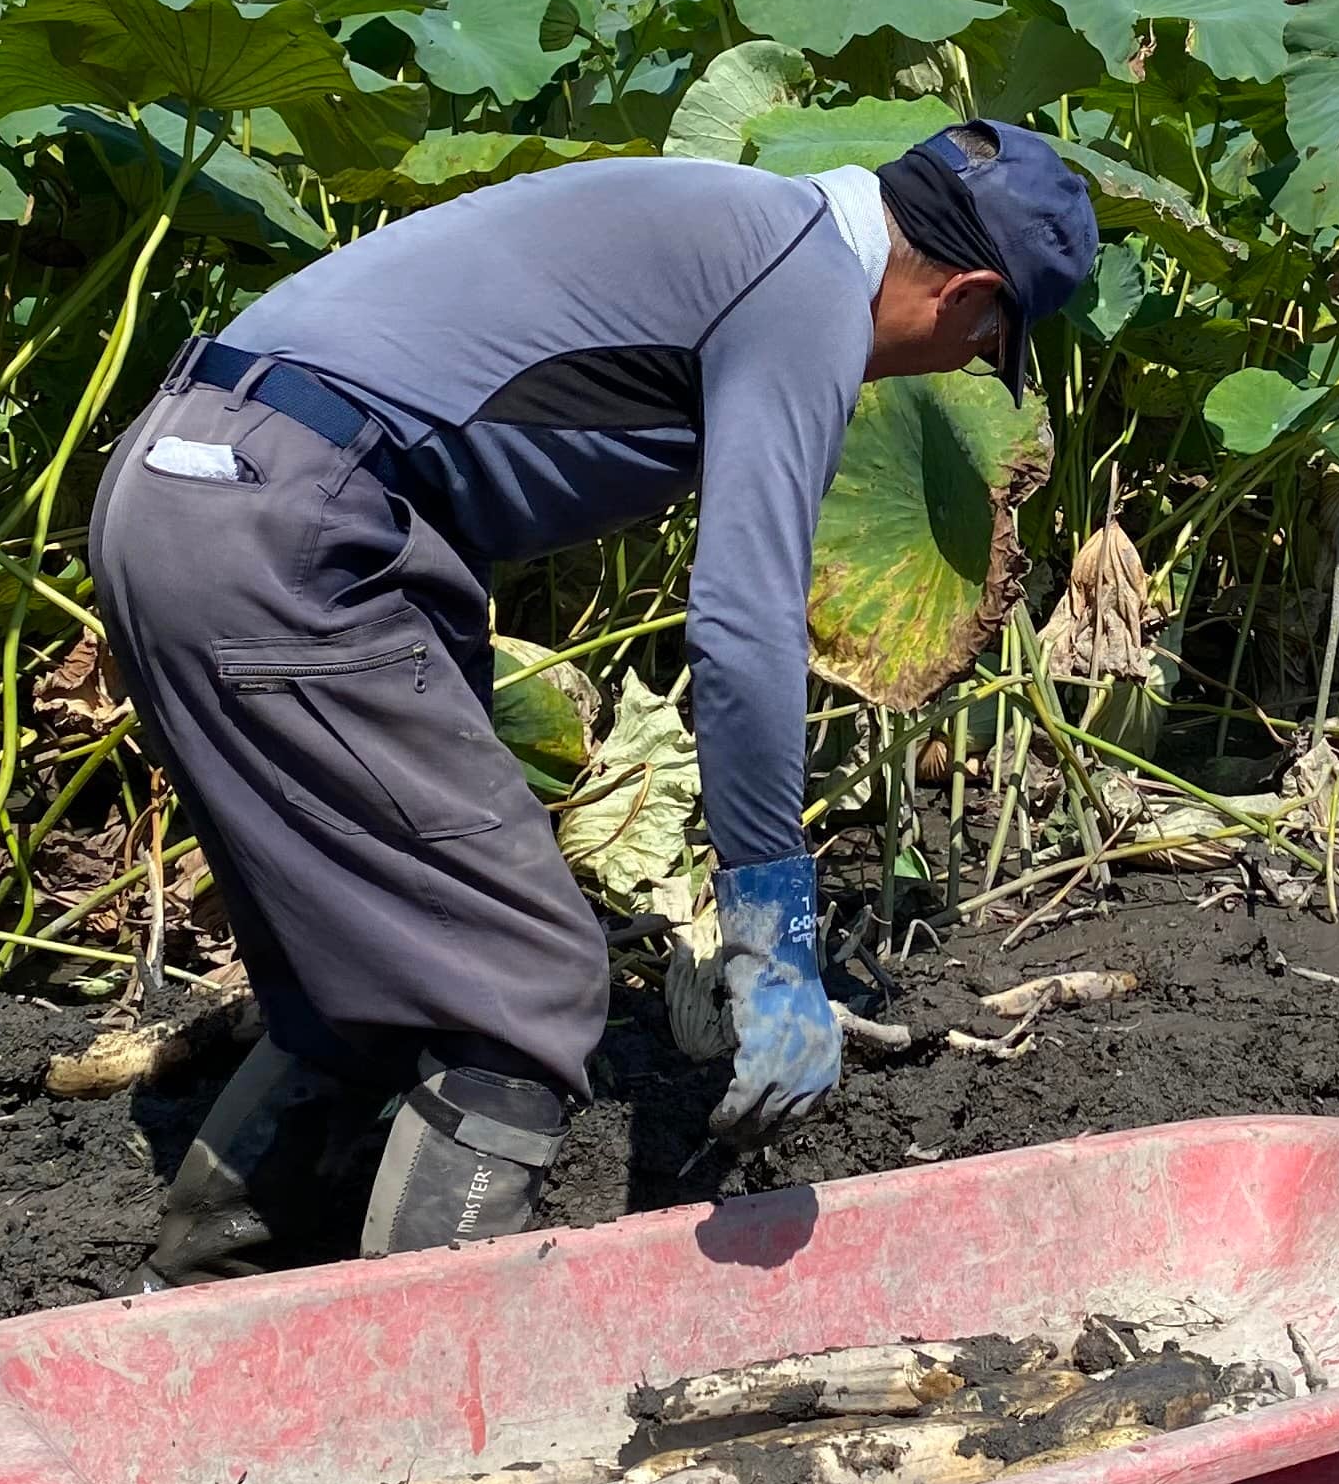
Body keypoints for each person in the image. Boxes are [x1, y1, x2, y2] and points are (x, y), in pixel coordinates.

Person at [88, 118, 1101, 1285]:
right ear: (968, 292)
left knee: (362, 966)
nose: (956, 370)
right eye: (981, 349)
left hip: (187, 487)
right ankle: (426, 1392)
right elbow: (742, 619)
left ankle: (198, 1317)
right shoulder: (809, 285)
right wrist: (773, 930)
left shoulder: (734, 218)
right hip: (292, 525)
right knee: (523, 985)